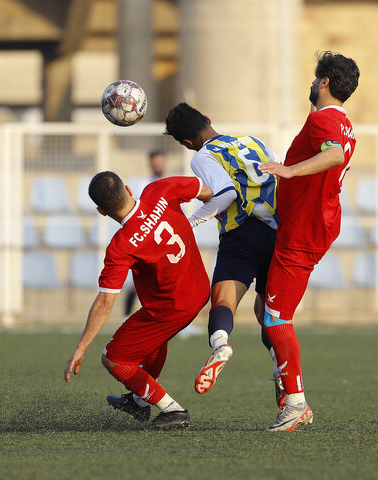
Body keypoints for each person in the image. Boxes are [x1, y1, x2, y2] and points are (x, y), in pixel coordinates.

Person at [257, 51, 359, 431]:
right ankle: (287, 390)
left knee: (276, 319)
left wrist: (288, 171)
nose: (312, 83)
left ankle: (296, 403)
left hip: (303, 232)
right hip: (311, 224)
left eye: (316, 77)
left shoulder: (325, 119)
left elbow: (333, 157)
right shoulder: (344, 122)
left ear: (325, 82)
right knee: (269, 313)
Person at [64, 171, 212, 429]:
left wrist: (81, 347)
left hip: (172, 307)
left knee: (113, 358)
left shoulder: (121, 246)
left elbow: (105, 303)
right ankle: (138, 402)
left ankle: (173, 410)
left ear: (101, 211)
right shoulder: (160, 190)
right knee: (150, 340)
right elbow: (204, 189)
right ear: (129, 189)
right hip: (199, 289)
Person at [164, 102, 284, 405]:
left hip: (241, 234)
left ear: (186, 143)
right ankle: (280, 367)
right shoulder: (253, 141)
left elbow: (227, 193)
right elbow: (281, 176)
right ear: (207, 119)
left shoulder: (203, 156)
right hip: (278, 232)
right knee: (267, 314)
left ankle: (220, 346)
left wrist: (191, 222)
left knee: (223, 303)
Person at [123, 150, 167, 317]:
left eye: (161, 162)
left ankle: (180, 322)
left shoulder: (168, 182)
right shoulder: (143, 185)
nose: (159, 165)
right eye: (156, 162)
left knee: (169, 281)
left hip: (165, 239)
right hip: (147, 239)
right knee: (139, 281)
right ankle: (126, 317)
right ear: (150, 163)